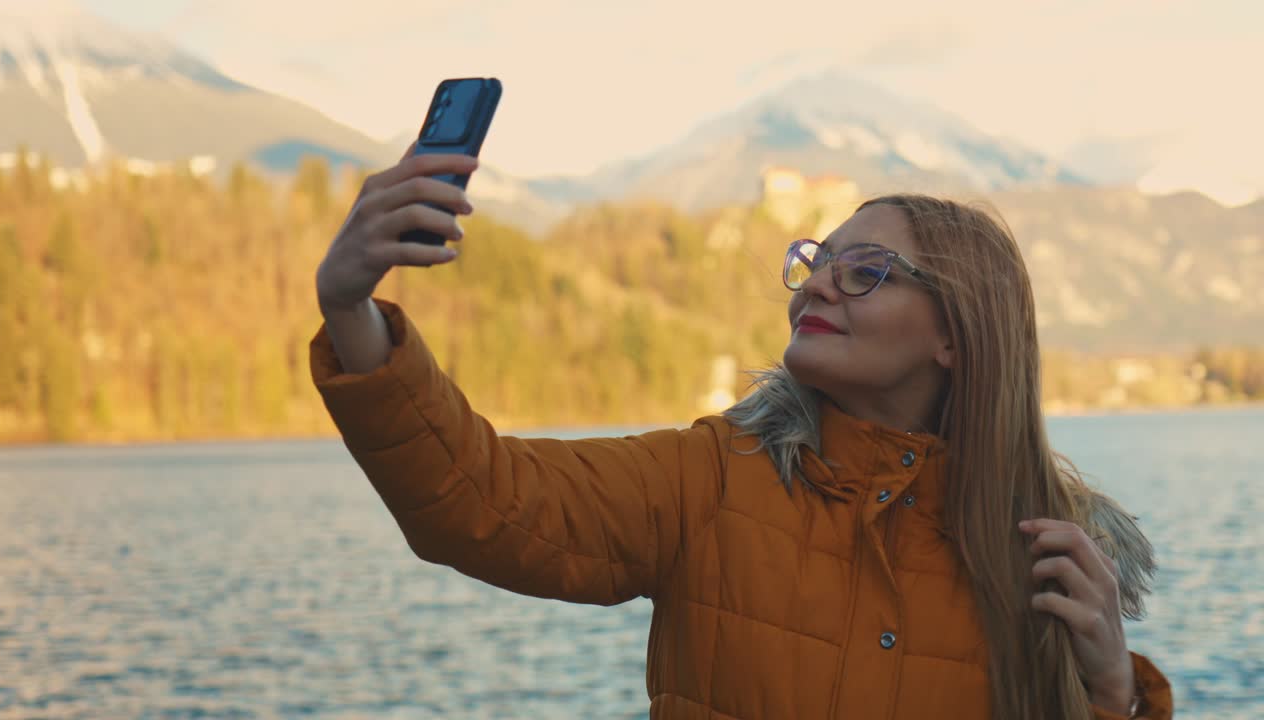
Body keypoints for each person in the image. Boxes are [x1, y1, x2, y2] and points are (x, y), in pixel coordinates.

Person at [310, 147, 1174, 720]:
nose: (818, 287)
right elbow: (481, 501)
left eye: (865, 271)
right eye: (815, 263)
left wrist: (1110, 690)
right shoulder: (710, 479)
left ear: (958, 334)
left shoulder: (1049, 560)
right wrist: (351, 307)